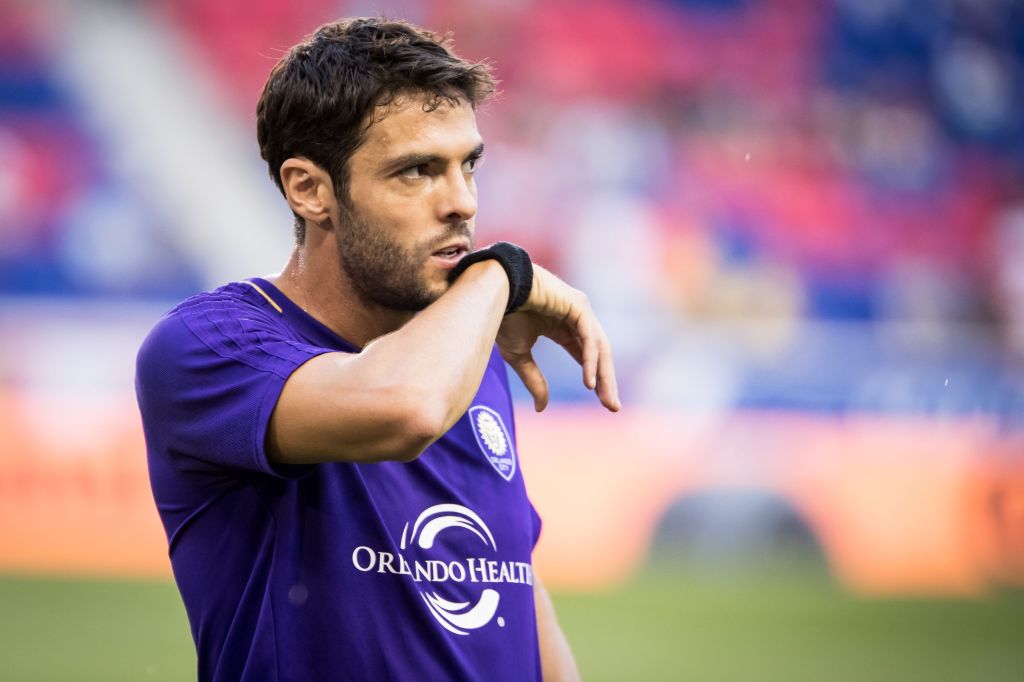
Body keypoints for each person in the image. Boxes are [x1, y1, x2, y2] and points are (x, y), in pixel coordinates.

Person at [135, 17, 619, 682]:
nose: (463, 202)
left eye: (468, 165)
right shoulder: (210, 346)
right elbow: (404, 408)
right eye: (417, 171)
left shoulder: (467, 363)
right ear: (310, 189)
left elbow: (517, 601)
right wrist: (501, 273)